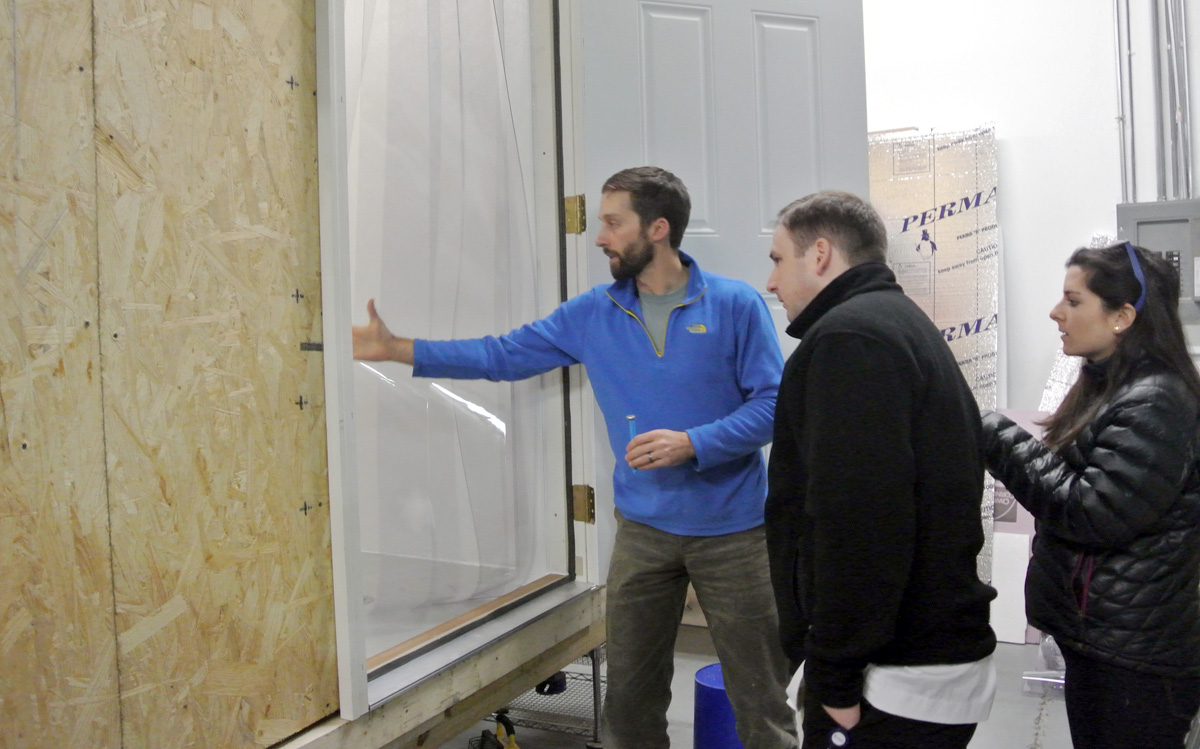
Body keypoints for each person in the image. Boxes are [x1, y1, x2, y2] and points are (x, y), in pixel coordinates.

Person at [353, 166, 797, 748]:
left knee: (761, 700)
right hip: (642, 532)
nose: (600, 237)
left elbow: (774, 407)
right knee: (630, 704)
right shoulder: (592, 313)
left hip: (736, 535)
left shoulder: (737, 305)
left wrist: (694, 443)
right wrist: (397, 350)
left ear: (658, 228)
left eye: (614, 223)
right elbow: (503, 354)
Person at [762, 189, 998, 749]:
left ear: (819, 254)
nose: (770, 283)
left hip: (891, 679)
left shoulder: (851, 340)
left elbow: (860, 524)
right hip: (916, 661)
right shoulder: (890, 321)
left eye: (777, 259)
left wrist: (835, 679)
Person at [982, 242, 1200, 749]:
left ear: (1122, 316)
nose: (1056, 313)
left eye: (1074, 301)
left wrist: (996, 435)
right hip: (1107, 643)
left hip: (1138, 658)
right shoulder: (1111, 387)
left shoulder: (1156, 400)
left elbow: (1092, 512)